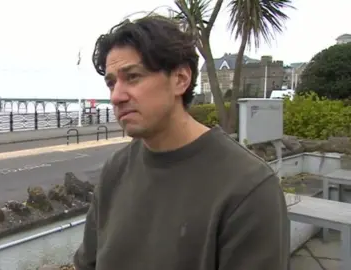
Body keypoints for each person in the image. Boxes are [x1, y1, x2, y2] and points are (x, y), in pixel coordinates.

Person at [73, 15, 289, 270]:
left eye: (132, 77)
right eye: (111, 83)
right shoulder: (115, 170)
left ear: (180, 80)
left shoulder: (249, 186)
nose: (116, 96)